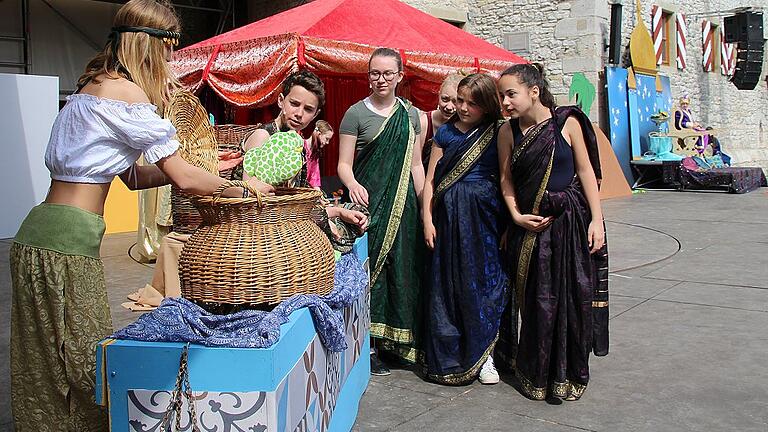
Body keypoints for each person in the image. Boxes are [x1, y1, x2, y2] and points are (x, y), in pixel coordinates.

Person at [8, 1, 274, 430]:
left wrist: (211, 170)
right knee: (88, 362)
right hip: (68, 244)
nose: (170, 62)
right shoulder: (128, 95)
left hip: (36, 234)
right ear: (151, 47)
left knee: (44, 365)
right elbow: (184, 178)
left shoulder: (91, 87)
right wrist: (243, 186)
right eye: (169, 51)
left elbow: (133, 177)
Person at [496, 63, 606, 401]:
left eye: (510, 94)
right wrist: (515, 216)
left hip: (570, 227)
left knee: (571, 300)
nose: (505, 102)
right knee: (536, 303)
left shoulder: (566, 123)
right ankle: (536, 374)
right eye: (501, 96)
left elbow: (586, 172)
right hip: (528, 230)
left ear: (534, 91)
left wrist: (597, 220)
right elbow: (506, 180)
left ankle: (568, 374)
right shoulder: (507, 132)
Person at [337, 47, 425, 375]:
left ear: (400, 76)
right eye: (375, 73)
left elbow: (416, 165)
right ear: (368, 75)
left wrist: (426, 208)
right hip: (368, 203)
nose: (381, 79)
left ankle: (397, 343)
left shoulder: (412, 115)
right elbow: (343, 164)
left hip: (404, 205)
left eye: (389, 73)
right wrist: (353, 183)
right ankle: (369, 345)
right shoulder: (354, 114)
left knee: (401, 270)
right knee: (370, 269)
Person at [421, 73, 509, 385]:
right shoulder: (445, 134)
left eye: (472, 103)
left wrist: (509, 222)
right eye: (460, 100)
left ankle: (485, 357)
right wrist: (427, 219)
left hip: (484, 222)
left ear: (486, 106)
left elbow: (505, 179)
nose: (463, 108)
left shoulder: (497, 133)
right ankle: (451, 356)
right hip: (447, 223)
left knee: (483, 287)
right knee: (449, 288)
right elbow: (431, 180)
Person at [242, 71, 368, 239]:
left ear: (315, 114)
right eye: (294, 104)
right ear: (281, 101)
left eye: (308, 109)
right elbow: (247, 197)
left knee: (358, 214)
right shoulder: (264, 136)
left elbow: (295, 203)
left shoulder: (296, 143)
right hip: (263, 232)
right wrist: (323, 219)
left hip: (290, 221)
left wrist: (337, 211)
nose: (299, 114)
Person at [419, 73, 462, 167]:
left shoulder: (467, 126)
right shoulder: (425, 123)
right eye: (445, 99)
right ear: (439, 95)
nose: (449, 107)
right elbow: (416, 164)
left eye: (455, 102)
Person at [305, 120, 333, 189]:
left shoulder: (315, 154)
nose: (327, 143)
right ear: (319, 134)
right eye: (327, 139)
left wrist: (321, 196)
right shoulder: (301, 146)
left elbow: (314, 179)